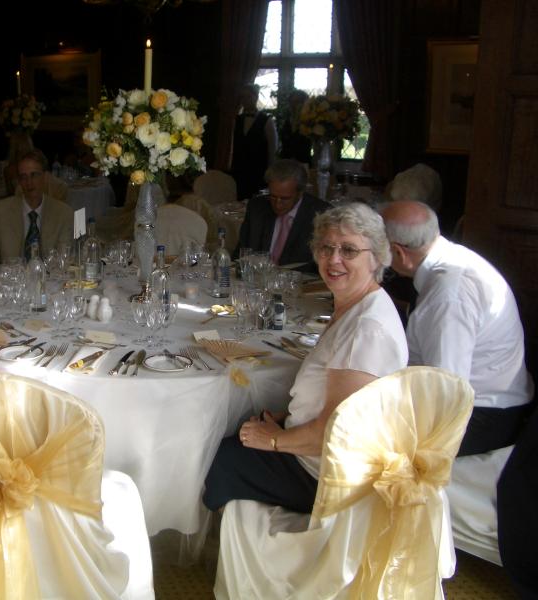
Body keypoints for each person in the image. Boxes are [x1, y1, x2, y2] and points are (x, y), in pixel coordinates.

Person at [204, 202, 408, 513]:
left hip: (325, 475)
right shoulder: (357, 306)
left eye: (349, 250)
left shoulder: (367, 331)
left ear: (377, 257)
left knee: (214, 458)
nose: (334, 259)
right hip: (316, 453)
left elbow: (336, 431)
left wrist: (274, 440)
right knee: (236, 430)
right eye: (326, 248)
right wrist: (287, 420)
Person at [379, 200, 534, 456]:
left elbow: (446, 390)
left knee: (355, 433)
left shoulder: (448, 296)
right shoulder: (453, 258)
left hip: (484, 416)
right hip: (485, 403)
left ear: (398, 253)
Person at [234, 159, 330, 269]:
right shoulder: (257, 207)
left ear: (300, 193)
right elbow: (241, 253)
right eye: (273, 196)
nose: (278, 204)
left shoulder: (321, 214)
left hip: (300, 277)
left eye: (285, 199)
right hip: (258, 276)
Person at [0, 149, 74, 262]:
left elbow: (64, 259)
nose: (29, 182)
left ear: (45, 177)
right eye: (23, 177)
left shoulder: (64, 213)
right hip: (10, 273)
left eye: (34, 175)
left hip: (50, 273)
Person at [231, 84, 278, 201]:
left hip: (258, 171)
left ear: (256, 97)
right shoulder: (236, 120)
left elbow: (272, 149)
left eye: (248, 96)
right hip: (239, 171)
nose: (245, 100)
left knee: (258, 202)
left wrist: (270, 172)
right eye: (243, 97)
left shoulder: (267, 121)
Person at [277, 88, 313, 165]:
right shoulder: (287, 121)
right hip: (285, 163)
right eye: (291, 102)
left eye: (297, 102)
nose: (293, 105)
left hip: (303, 163)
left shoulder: (309, 122)